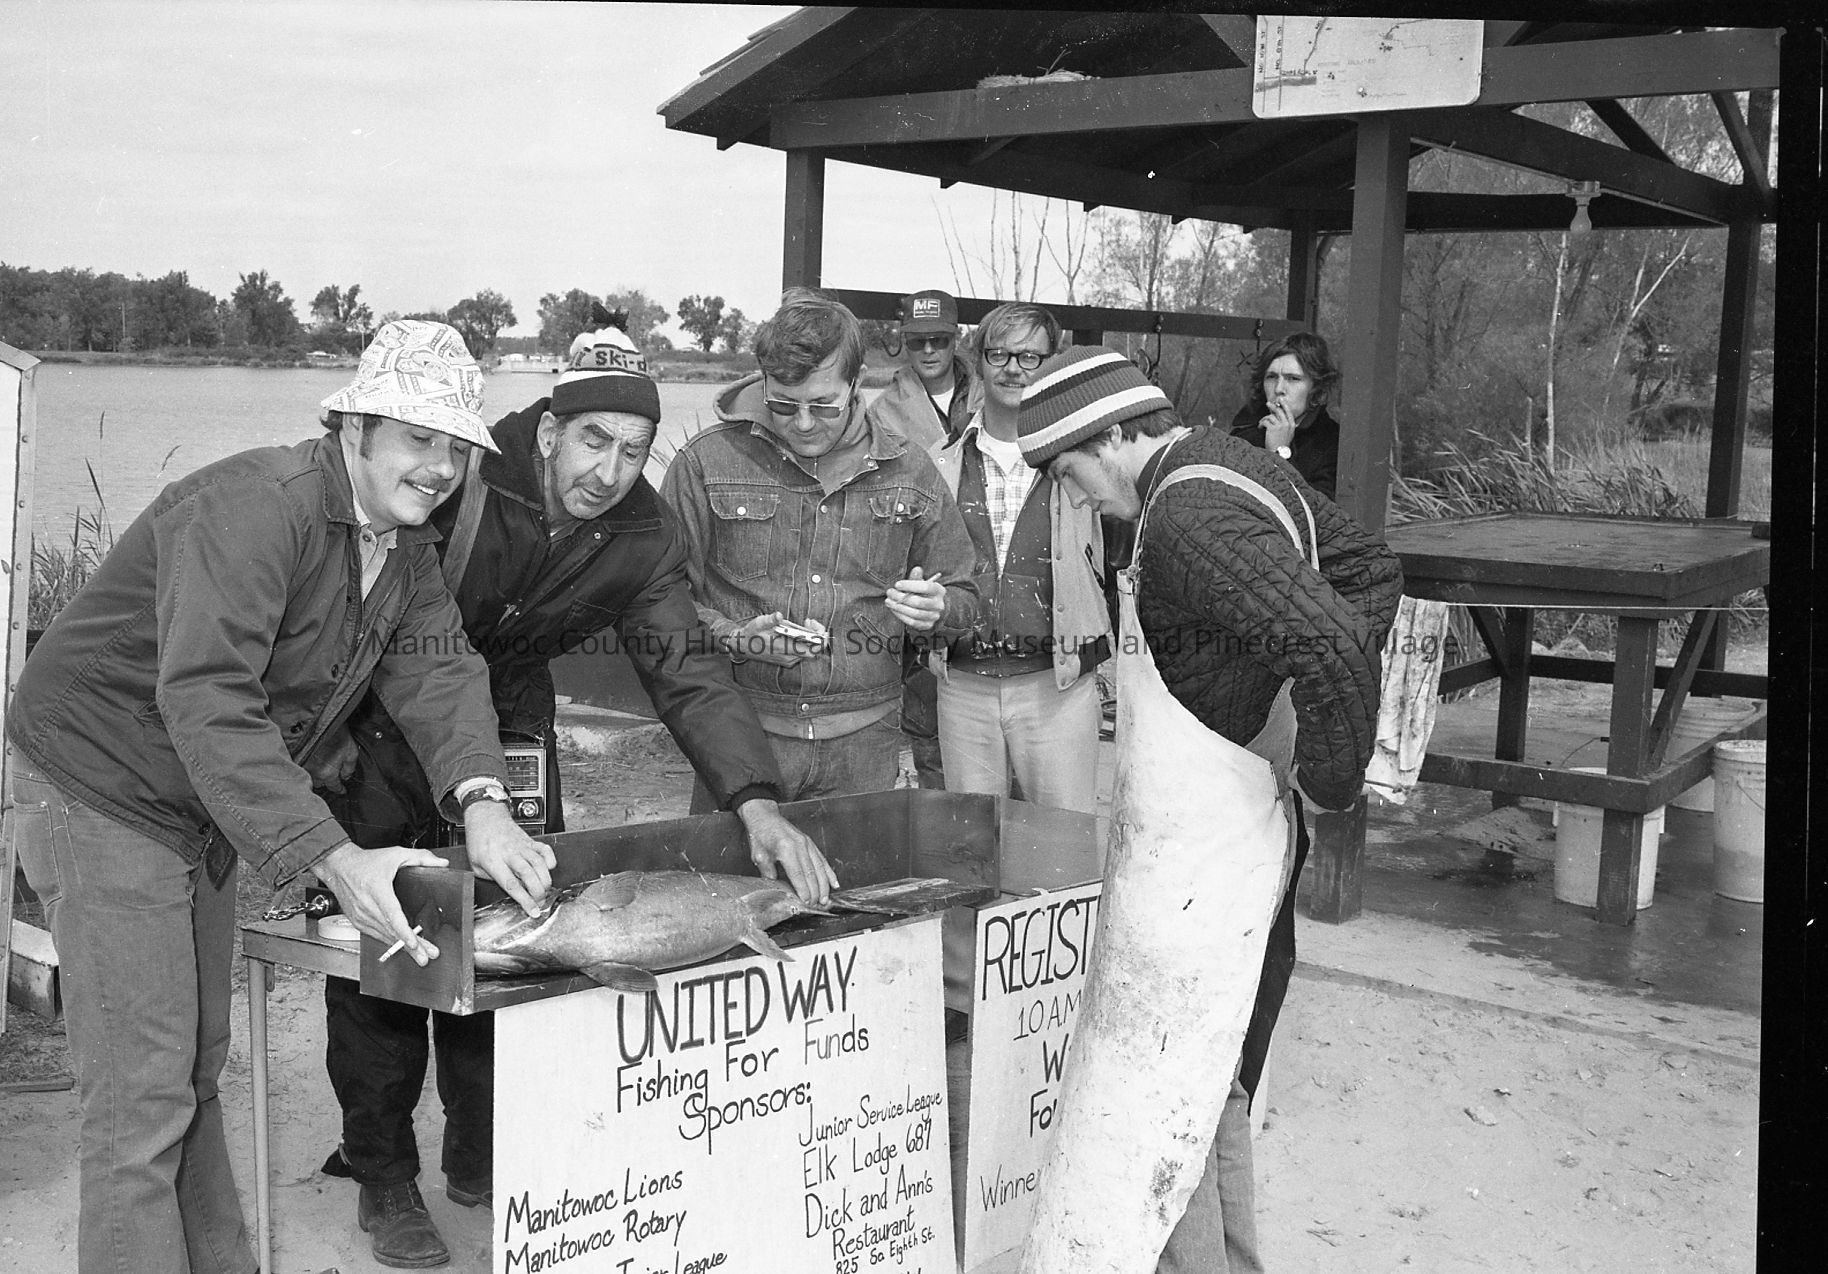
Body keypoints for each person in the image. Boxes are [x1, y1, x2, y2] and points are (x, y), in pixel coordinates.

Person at [5, 320, 556, 1274]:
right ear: (355, 427)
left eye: (457, 446)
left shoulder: (403, 546)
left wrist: (483, 803)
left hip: (197, 796)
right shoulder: (254, 508)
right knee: (140, 1100)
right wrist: (335, 859)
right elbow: (210, 700)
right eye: (418, 437)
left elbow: (440, 671)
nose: (440, 466)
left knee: (194, 1068)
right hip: (100, 781)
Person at [312, 323, 837, 1266]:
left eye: (634, 451)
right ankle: (383, 1172)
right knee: (393, 942)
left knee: (526, 929)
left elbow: (687, 670)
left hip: (512, 717)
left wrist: (755, 800)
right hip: (389, 711)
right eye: (594, 441)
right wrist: (330, 726)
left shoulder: (644, 533)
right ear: (552, 432)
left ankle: (479, 1153)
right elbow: (347, 594)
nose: (610, 471)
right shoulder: (461, 469)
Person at [1020, 346, 1402, 1272]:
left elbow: (1339, 646)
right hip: (1221, 829)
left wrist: (1324, 775)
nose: (1075, 497)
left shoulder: (1185, 518)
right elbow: (1370, 569)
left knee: (1163, 1078)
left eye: (1068, 473)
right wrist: (1268, 707)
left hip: (1207, 853)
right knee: (1215, 1063)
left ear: (1112, 436)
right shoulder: (1228, 463)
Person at [659, 292, 979, 809]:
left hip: (866, 746)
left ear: (857, 382)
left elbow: (964, 595)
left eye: (823, 405)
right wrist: (736, 638)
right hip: (739, 737)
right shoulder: (705, 463)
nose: (804, 423)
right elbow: (662, 601)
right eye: (784, 404)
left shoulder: (911, 470)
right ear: (763, 380)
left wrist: (937, 610)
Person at [922, 302, 1110, 814]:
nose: (1013, 368)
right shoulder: (940, 460)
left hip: (1057, 686)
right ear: (978, 361)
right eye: (999, 354)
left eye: (1030, 357)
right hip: (963, 686)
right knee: (971, 841)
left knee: (1063, 842)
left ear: (1051, 364)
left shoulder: (1086, 459)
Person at [870, 289, 980, 789]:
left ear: (957, 338)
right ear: (903, 342)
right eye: (918, 342)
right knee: (932, 737)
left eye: (940, 339)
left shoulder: (994, 395)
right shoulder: (882, 412)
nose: (930, 350)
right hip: (927, 573)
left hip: (993, 573)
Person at [1229, 331, 1342, 499]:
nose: (1278, 389)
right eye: (1271, 377)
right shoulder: (1242, 439)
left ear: (1318, 390)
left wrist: (1280, 454)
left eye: (1293, 379)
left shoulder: (1334, 445)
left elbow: (1317, 510)